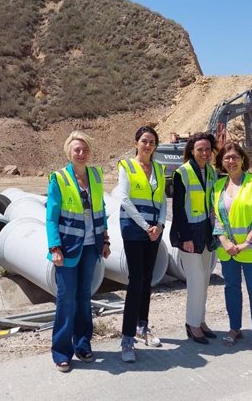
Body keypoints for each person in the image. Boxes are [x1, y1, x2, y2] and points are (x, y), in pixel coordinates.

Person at [46, 131, 111, 372]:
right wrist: (55, 247)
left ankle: (83, 344)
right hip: (68, 248)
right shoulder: (59, 178)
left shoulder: (95, 175)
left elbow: (101, 210)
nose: (81, 154)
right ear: (69, 153)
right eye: (77, 150)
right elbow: (51, 217)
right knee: (66, 300)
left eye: (85, 150)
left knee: (84, 298)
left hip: (91, 248)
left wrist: (105, 240)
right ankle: (62, 351)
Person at [212, 141, 252, 353]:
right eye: (226, 158)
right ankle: (234, 328)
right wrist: (225, 242)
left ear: (243, 159)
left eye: (235, 157)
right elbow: (215, 218)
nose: (231, 161)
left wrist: (246, 242)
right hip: (229, 252)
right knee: (232, 289)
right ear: (221, 162)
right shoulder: (218, 186)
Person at [115, 126, 167, 362]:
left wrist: (160, 226)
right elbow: (124, 198)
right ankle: (127, 338)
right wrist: (146, 226)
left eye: (152, 142)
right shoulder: (126, 166)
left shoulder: (159, 168)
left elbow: (163, 200)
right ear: (136, 142)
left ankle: (142, 326)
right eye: (144, 141)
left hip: (154, 231)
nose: (148, 145)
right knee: (136, 281)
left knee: (147, 279)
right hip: (135, 230)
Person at [170, 132, 218, 344]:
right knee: (196, 280)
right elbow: (178, 209)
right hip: (189, 232)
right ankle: (192, 324)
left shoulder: (211, 172)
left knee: (205, 280)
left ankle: (201, 320)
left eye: (208, 149)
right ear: (191, 150)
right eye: (200, 149)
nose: (204, 153)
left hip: (207, 232)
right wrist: (185, 236)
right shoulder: (183, 173)